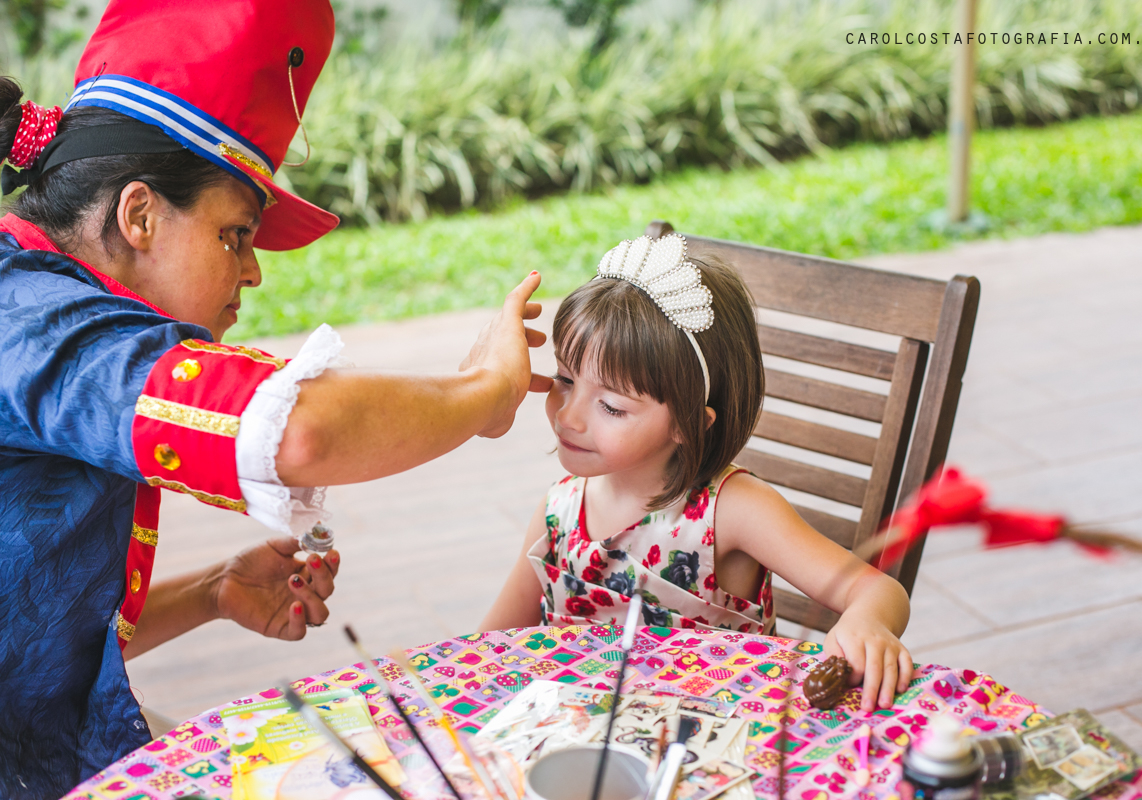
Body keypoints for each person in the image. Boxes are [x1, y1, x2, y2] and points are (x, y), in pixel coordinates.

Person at [0, 1, 546, 796]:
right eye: (235, 235)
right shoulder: (37, 325)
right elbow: (298, 434)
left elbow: (33, 624)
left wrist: (211, 592)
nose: (251, 273)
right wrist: (487, 391)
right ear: (141, 214)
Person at [481, 233, 913, 713]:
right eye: (564, 379)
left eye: (611, 405)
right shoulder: (559, 511)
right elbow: (486, 648)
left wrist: (866, 622)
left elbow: (875, 589)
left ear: (689, 423)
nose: (569, 416)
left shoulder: (732, 511)